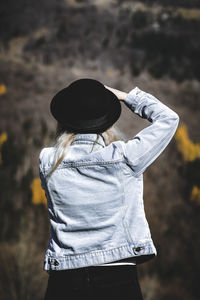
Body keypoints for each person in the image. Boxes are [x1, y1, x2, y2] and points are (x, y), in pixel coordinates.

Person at [39, 78, 179, 300]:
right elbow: (169, 119)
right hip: (117, 276)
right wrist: (126, 97)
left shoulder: (47, 161)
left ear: (63, 120)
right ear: (106, 122)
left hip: (64, 278)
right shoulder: (124, 158)